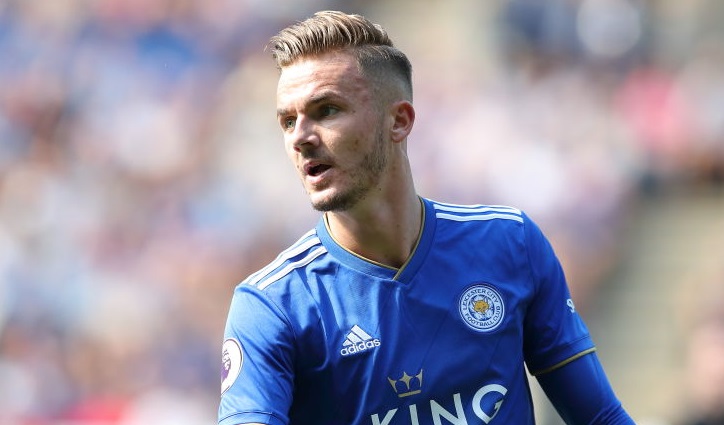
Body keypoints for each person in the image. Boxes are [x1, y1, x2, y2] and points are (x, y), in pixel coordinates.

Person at [218, 10, 635, 425]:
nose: (300, 138)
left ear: (399, 121)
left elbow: (600, 416)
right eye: (288, 121)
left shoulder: (510, 243)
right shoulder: (273, 306)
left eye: (327, 110)